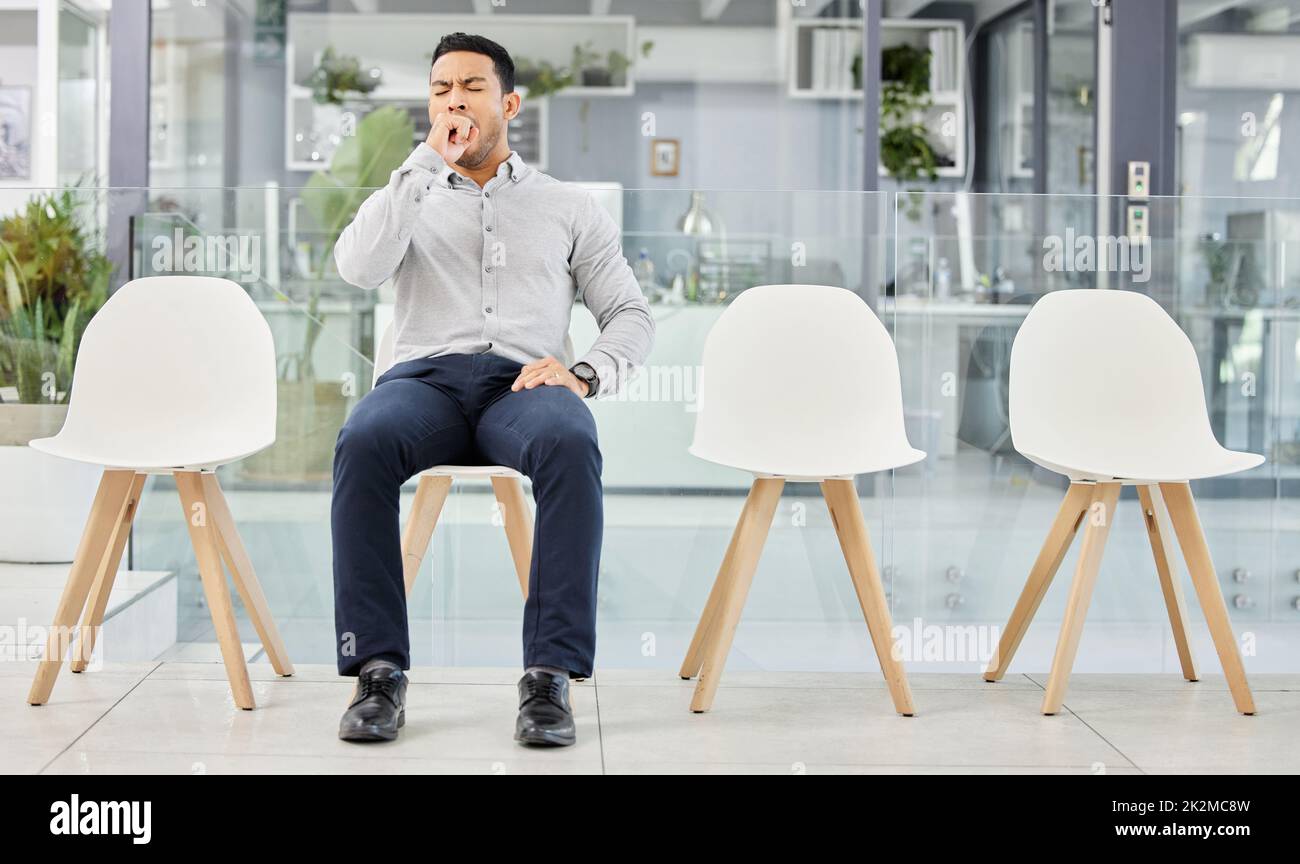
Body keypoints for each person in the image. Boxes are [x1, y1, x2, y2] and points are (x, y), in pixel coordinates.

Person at [330, 32, 655, 747]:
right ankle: (378, 672)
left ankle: (549, 678)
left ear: (508, 103)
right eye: (441, 89)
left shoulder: (567, 207)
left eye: (471, 87)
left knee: (571, 439)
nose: (454, 100)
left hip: (525, 384)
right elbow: (355, 267)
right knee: (362, 439)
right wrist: (421, 166)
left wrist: (585, 372)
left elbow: (630, 314)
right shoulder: (408, 192)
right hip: (424, 383)